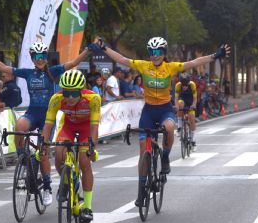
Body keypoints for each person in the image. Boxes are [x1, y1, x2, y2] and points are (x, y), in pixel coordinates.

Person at [94, 36, 229, 207]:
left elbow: (193, 62)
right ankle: (141, 189)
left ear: (163, 53)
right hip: (149, 111)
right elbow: (122, 59)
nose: (154, 55)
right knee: (143, 154)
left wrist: (214, 56)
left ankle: (165, 157)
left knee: (170, 127)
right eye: (152, 52)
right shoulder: (143, 65)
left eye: (158, 52)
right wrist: (104, 48)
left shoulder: (170, 67)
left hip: (165, 109)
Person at [0, 41, 92, 206]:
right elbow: (4, 68)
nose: (40, 59)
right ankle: (23, 159)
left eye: (42, 56)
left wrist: (87, 50)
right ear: (32, 58)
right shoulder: (28, 73)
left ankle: (47, 187)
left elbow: (73, 63)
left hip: (48, 117)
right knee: (19, 127)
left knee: (43, 151)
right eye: (36, 56)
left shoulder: (53, 71)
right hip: (32, 112)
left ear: (46, 57)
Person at [41, 69, 100, 223]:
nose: (70, 97)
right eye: (67, 93)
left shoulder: (93, 98)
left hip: (86, 127)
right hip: (68, 126)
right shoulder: (56, 98)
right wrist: (43, 145)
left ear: (81, 90)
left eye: (74, 93)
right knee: (59, 156)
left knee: (84, 161)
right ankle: (68, 182)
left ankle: (87, 206)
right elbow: (48, 125)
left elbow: (94, 127)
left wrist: (92, 147)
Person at [175, 73, 198, 148]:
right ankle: (179, 127)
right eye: (183, 85)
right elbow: (176, 98)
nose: (184, 86)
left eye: (186, 85)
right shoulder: (178, 85)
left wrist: (194, 105)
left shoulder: (192, 85)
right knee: (179, 103)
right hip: (183, 100)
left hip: (191, 102)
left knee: (192, 119)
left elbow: (195, 98)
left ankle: (193, 140)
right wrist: (176, 106)